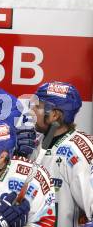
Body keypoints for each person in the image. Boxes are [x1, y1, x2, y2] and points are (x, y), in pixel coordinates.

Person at [31, 81, 93, 227]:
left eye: (38, 106)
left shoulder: (78, 152)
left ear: (54, 115)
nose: (32, 110)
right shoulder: (36, 143)